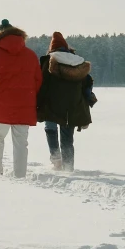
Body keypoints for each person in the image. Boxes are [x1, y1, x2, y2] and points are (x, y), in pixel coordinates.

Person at [0, 18, 42, 177]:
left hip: (1, 107)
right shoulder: (31, 55)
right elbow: (38, 81)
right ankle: (20, 176)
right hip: (24, 107)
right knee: (21, 144)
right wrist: (28, 98)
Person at [37, 30, 96, 170]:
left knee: (50, 129)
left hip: (51, 104)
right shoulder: (78, 63)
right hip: (72, 106)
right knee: (67, 137)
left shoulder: (49, 61)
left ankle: (56, 159)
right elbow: (87, 84)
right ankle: (68, 167)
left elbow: (42, 84)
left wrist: (37, 104)